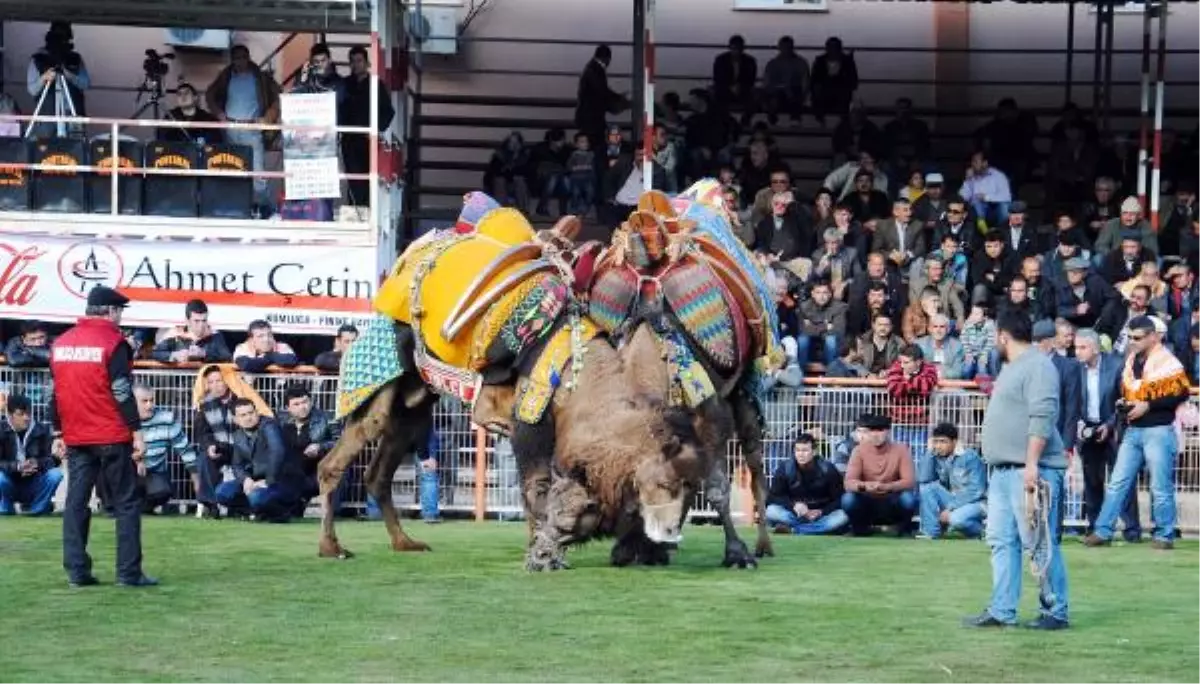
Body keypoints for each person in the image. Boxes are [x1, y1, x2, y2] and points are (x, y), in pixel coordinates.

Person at [964, 310, 1068, 630]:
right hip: (1004, 471)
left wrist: (1032, 464)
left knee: (1038, 542)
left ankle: (1055, 610)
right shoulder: (1017, 366)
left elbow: (1043, 416)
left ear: (1003, 336)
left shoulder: (1038, 365)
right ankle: (1002, 609)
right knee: (1000, 540)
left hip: (1027, 471)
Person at [48, 286, 156, 588]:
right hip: (111, 434)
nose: (120, 318)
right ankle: (128, 573)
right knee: (126, 502)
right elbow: (122, 392)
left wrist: (58, 430)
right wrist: (136, 430)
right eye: (120, 312)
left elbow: (53, 393)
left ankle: (77, 571)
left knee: (76, 502)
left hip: (77, 436)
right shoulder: (113, 342)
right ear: (110, 311)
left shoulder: (61, 343)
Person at [1084, 316, 1189, 551]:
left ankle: (1164, 534)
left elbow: (1181, 393)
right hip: (1134, 429)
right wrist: (1126, 403)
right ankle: (1103, 530)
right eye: (1130, 337)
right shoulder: (1131, 361)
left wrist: (1148, 405)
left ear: (1153, 336)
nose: (1133, 342)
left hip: (1159, 429)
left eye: (1138, 337)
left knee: (1160, 486)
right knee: (1118, 483)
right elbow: (1126, 390)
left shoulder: (1168, 361)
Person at [1073, 329, 1140, 539]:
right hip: (1088, 431)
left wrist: (1110, 425)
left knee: (1122, 480)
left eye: (1082, 347)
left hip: (1114, 430)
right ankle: (1095, 527)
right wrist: (1081, 425)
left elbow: (1124, 399)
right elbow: (1072, 400)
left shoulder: (1116, 365)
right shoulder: (1075, 369)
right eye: (1076, 347)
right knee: (1092, 482)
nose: (1077, 352)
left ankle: (1131, 529)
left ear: (1094, 348)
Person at [215, 398, 303, 522]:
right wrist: (245, 480)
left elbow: (277, 452)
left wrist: (267, 481)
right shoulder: (238, 435)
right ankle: (256, 512)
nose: (248, 418)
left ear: (257, 412)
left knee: (256, 497)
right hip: (255, 481)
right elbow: (237, 464)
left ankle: (282, 512)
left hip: (281, 480)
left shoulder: (270, 426)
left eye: (251, 413)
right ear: (236, 419)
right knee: (222, 492)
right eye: (243, 415)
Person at [841, 413, 918, 536]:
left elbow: (909, 481)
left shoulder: (901, 450)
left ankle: (904, 529)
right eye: (872, 430)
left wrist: (887, 487)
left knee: (908, 499)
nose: (876, 434)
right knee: (848, 499)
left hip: (892, 499)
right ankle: (859, 529)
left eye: (880, 430)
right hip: (867, 499)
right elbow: (848, 483)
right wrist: (865, 486)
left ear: (888, 431)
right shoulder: (859, 450)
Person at [764, 433, 848, 536]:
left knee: (842, 517)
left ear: (814, 452)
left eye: (805, 450)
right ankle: (816, 529)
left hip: (820, 515)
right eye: (797, 450)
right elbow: (772, 497)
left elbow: (840, 499)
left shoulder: (828, 470)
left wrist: (822, 511)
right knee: (771, 511)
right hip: (795, 514)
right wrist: (794, 506)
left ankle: (795, 530)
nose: (801, 454)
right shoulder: (785, 468)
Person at [277, 384, 342, 513]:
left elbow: (341, 442)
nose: (303, 407)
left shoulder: (328, 418)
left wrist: (321, 446)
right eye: (296, 404)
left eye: (305, 402)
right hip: (293, 472)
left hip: (319, 470)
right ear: (287, 408)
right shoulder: (281, 420)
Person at [134, 383, 197, 514]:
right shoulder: (119, 418)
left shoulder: (167, 418)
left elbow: (185, 449)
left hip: (154, 470)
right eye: (144, 401)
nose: (150, 405)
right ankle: (115, 506)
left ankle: (141, 508)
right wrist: (136, 460)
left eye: (152, 400)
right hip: (126, 469)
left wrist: (196, 479)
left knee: (163, 492)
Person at [917, 423, 986, 539]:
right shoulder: (936, 455)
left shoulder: (970, 457)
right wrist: (929, 452)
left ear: (954, 442)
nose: (938, 446)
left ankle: (981, 531)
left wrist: (950, 508)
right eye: (936, 441)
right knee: (927, 487)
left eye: (943, 442)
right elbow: (923, 479)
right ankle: (931, 533)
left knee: (955, 519)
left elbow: (977, 491)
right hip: (953, 500)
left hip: (977, 503)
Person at [0, 394, 62, 516]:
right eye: (21, 414)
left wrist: (35, 464)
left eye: (28, 413)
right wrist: (18, 467)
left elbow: (50, 461)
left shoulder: (41, 430)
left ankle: (37, 509)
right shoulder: (1, 431)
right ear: (10, 415)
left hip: (33, 481)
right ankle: (5, 506)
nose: (26, 418)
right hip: (10, 481)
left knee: (56, 474)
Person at [151, 299, 231, 364]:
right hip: (181, 381)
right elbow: (155, 353)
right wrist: (174, 355)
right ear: (187, 320)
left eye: (204, 320)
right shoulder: (175, 334)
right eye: (196, 321)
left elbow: (226, 356)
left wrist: (204, 353)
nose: (201, 325)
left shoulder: (215, 335)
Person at [156, 83, 223, 146]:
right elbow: (162, 141)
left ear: (195, 97)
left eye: (186, 93)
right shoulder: (170, 117)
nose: (183, 96)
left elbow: (216, 143)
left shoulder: (207, 119)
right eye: (179, 94)